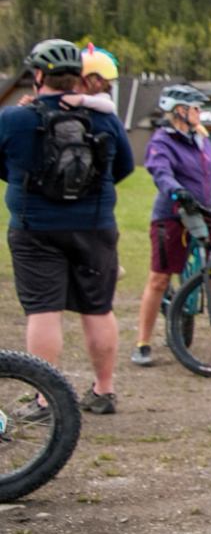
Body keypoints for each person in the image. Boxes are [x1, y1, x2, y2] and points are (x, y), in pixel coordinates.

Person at [0, 39, 136, 415]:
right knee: (98, 308)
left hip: (34, 228)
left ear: (38, 76)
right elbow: (124, 166)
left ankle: (45, 399)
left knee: (44, 310)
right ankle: (104, 392)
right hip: (95, 227)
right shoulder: (104, 118)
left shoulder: (14, 118)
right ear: (78, 78)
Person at [132, 84, 211, 367]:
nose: (200, 113)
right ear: (179, 111)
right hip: (172, 216)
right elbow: (160, 173)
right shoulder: (162, 141)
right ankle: (143, 343)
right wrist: (177, 191)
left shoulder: (202, 140)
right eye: (196, 108)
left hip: (204, 215)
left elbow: (210, 179)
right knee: (159, 279)